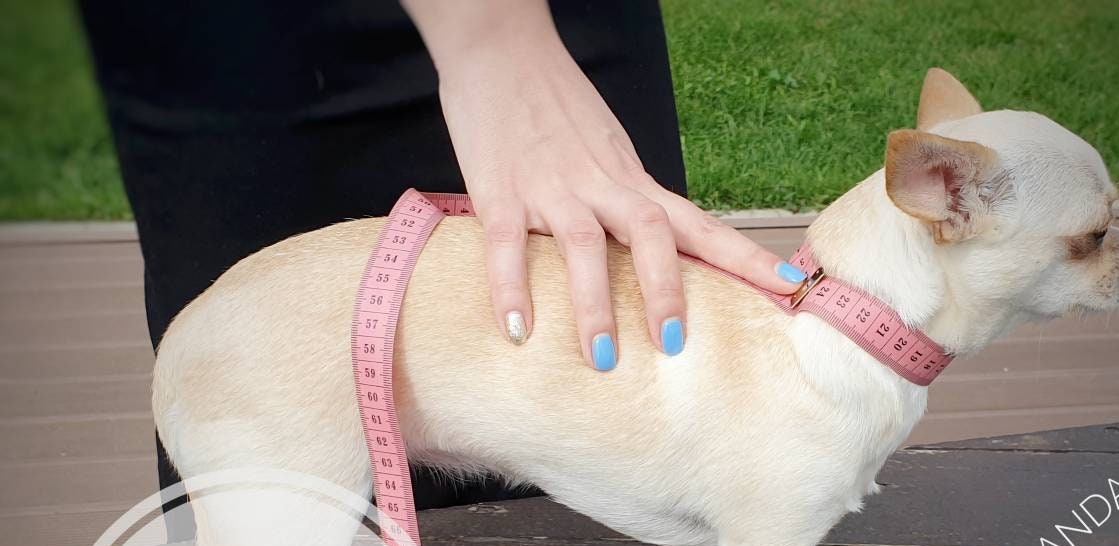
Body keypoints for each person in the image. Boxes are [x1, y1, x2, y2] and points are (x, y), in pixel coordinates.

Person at [79, 0, 807, 509]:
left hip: (546, 31)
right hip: (236, 43)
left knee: (601, 504)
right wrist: (488, 33)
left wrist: (501, 33)